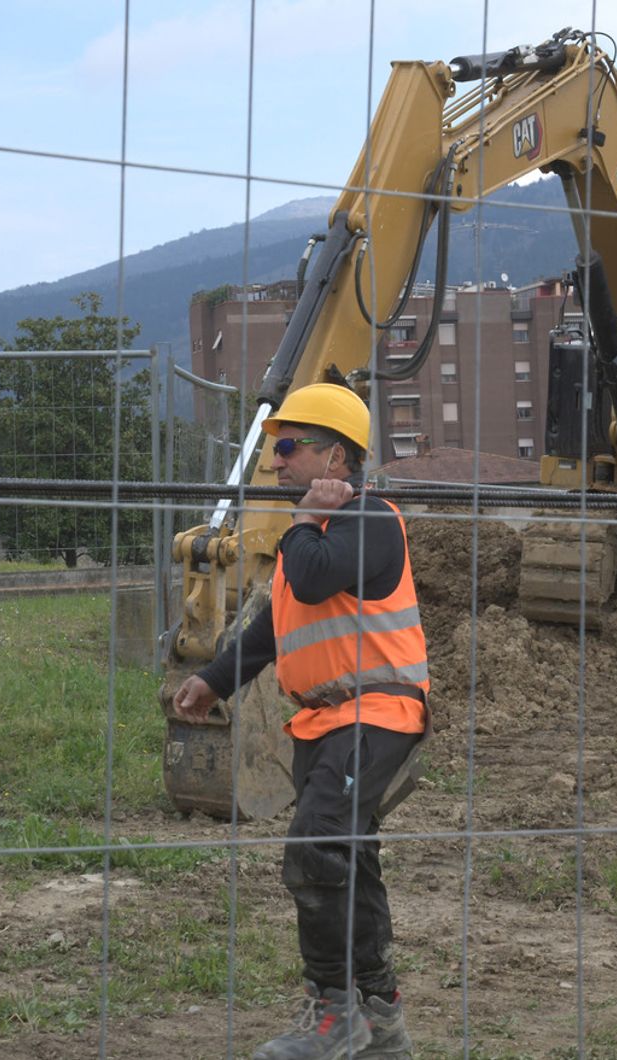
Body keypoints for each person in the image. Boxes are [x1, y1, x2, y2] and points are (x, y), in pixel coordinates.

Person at [169, 382, 428, 1060]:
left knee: (316, 850)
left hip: (379, 713)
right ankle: (380, 1018)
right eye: (273, 449)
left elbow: (312, 579)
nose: (275, 463)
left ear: (336, 457)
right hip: (327, 724)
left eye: (288, 447)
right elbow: (269, 631)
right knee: (351, 859)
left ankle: (333, 1013)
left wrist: (307, 522)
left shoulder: (369, 519)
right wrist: (211, 679)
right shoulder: (306, 537)